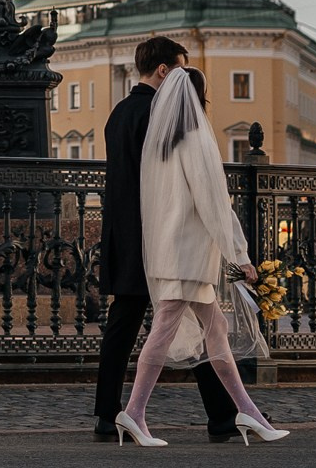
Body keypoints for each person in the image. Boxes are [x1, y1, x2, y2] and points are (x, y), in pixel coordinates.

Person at [117, 64, 289, 447]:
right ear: (197, 98)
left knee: (217, 332)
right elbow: (214, 203)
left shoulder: (160, 146)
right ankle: (135, 412)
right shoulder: (196, 141)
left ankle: (248, 411)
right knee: (164, 332)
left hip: (169, 249)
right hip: (189, 254)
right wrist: (240, 255)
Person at [93, 36, 241, 444]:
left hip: (121, 234)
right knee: (195, 321)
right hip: (160, 235)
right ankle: (224, 416)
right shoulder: (163, 114)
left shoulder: (119, 112)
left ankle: (108, 414)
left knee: (123, 328)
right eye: (180, 68)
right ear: (164, 70)